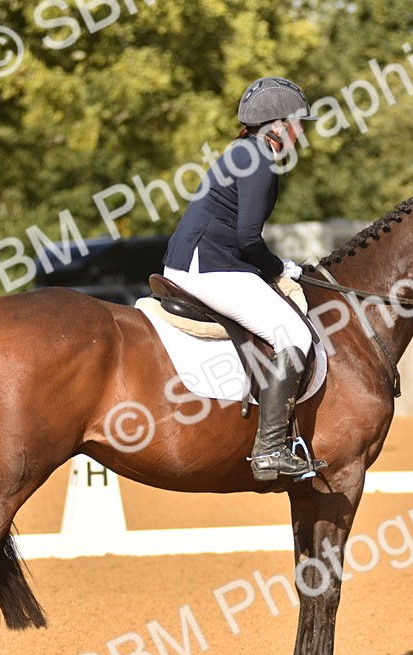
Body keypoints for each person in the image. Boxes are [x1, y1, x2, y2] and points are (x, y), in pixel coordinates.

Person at [162, 76, 317, 481]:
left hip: (197, 260)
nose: (301, 133)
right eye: (298, 124)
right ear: (277, 125)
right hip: (209, 266)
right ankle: (269, 450)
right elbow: (249, 239)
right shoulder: (258, 159)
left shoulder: (243, 152)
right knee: (294, 334)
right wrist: (280, 267)